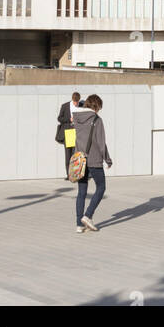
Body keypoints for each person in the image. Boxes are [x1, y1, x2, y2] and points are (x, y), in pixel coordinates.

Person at [73, 94, 112, 234]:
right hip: (94, 160)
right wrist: (108, 159)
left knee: (81, 192)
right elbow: (101, 143)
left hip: (80, 159)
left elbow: (74, 138)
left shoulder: (76, 118)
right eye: (99, 107)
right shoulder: (97, 120)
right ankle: (88, 215)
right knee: (101, 187)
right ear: (96, 106)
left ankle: (79, 225)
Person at [55, 90, 83, 176]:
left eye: (77, 102)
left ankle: (75, 173)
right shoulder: (65, 106)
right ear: (72, 100)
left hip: (77, 132)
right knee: (68, 154)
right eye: (75, 102)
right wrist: (69, 120)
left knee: (76, 154)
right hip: (68, 132)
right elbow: (59, 118)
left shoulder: (82, 106)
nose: (76, 104)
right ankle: (69, 175)